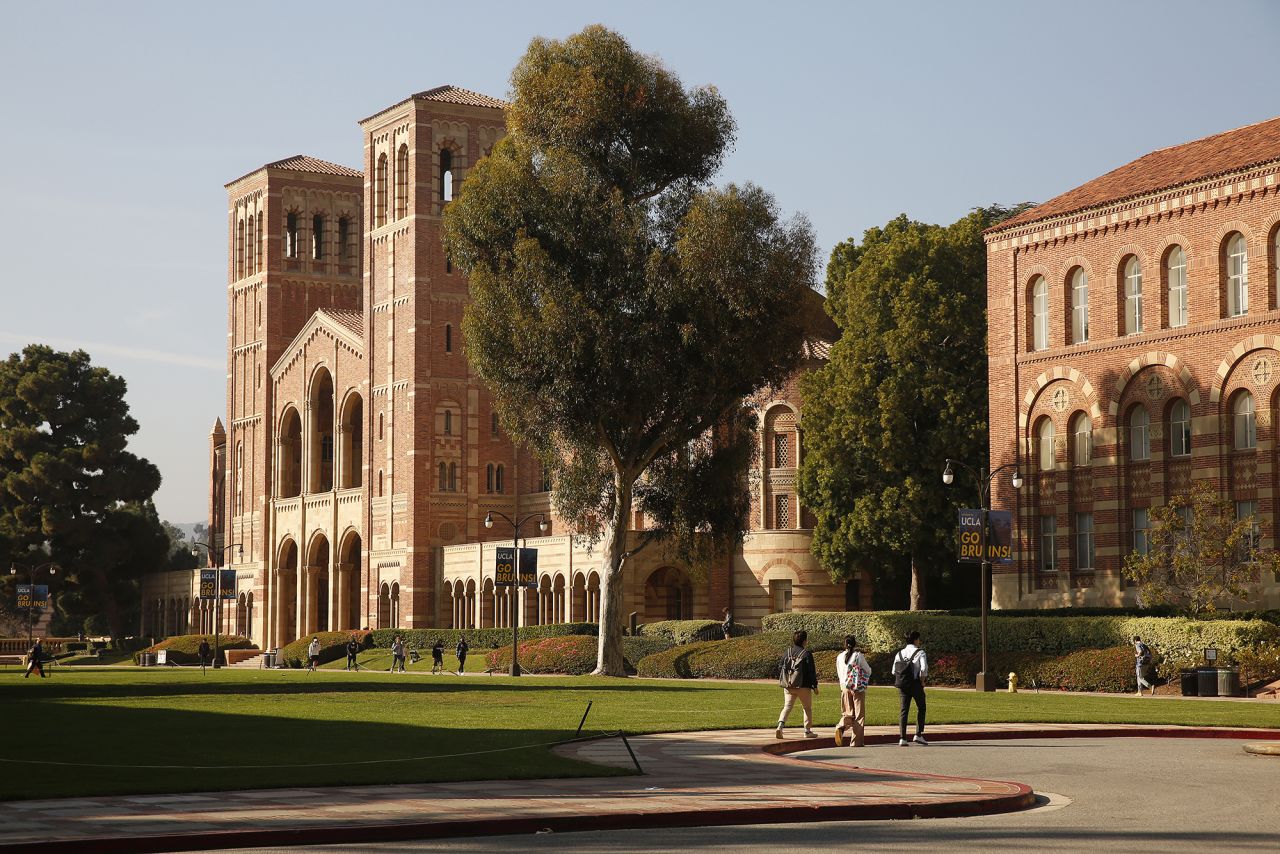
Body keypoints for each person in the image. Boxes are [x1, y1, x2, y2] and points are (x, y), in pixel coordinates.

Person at [775, 630, 818, 739]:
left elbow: (780, 667)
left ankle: (780, 726)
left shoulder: (787, 652)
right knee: (807, 708)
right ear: (805, 641)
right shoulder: (806, 654)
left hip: (788, 685)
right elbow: (811, 672)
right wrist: (814, 686)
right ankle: (807, 731)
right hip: (803, 686)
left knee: (787, 706)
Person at [835, 635, 872, 748]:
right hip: (857, 687)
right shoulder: (858, 656)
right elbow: (868, 670)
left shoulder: (840, 657)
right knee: (859, 715)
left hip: (844, 687)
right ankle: (856, 742)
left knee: (848, 713)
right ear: (855, 644)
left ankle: (840, 726)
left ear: (844, 644)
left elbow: (839, 672)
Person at [892, 630, 928, 746]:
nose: (919, 641)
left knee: (904, 710)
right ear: (915, 640)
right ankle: (918, 734)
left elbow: (894, 671)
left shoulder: (899, 653)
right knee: (921, 707)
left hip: (902, 684)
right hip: (915, 683)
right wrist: (922, 681)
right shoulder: (920, 652)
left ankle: (902, 737)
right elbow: (923, 669)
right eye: (918, 639)